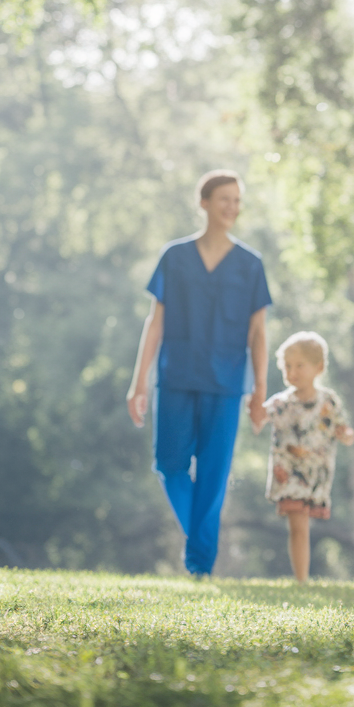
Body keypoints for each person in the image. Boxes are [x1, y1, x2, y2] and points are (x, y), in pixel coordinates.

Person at [127, 171, 272, 576]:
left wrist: (260, 389)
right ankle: (200, 541)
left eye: (238, 200)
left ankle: (199, 564)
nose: (232, 207)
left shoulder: (250, 265)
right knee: (169, 465)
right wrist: (138, 382)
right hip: (175, 377)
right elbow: (155, 323)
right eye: (225, 199)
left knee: (213, 474)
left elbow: (258, 332)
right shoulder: (175, 257)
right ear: (204, 202)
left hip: (226, 383)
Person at [257, 331, 354, 583]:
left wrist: (345, 434)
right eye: (287, 367)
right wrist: (253, 404)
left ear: (318, 367)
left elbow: (342, 429)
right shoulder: (281, 403)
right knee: (298, 525)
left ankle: (304, 577)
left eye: (300, 365)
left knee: (304, 525)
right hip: (289, 473)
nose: (292, 372)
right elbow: (258, 417)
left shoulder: (328, 401)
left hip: (316, 473)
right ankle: (302, 579)